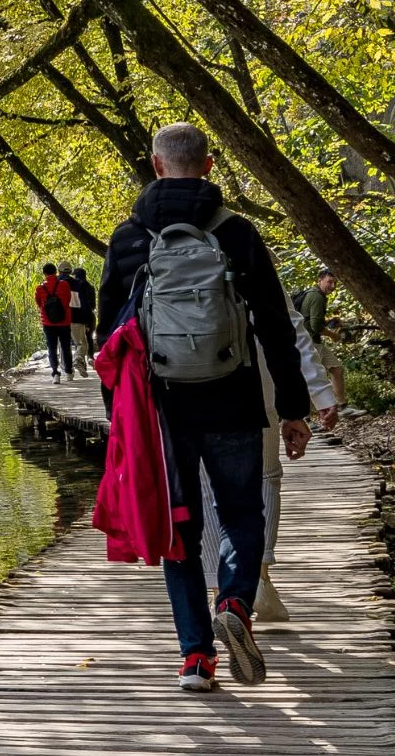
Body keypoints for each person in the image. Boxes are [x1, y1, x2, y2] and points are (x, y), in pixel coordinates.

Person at [96, 122, 312, 692]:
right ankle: (235, 603)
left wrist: (118, 418)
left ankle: (196, 659)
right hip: (234, 397)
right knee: (242, 513)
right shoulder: (236, 232)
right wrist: (294, 409)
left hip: (162, 410)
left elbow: (108, 339)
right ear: (209, 166)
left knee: (180, 531)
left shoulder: (130, 238)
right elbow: (276, 326)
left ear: (156, 165)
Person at [202, 290, 340, 623]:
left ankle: (219, 591)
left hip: (187, 383)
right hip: (254, 382)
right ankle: (259, 577)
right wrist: (320, 392)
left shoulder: (157, 256)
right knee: (264, 476)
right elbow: (290, 327)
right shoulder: (248, 257)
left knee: (205, 485)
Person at [295, 268, 347, 410]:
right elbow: (315, 326)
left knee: (335, 369)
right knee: (312, 377)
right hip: (310, 342)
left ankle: (342, 406)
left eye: (335, 283)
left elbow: (311, 319)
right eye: (329, 282)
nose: (333, 286)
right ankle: (307, 415)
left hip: (308, 340)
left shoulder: (313, 294)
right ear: (320, 281)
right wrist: (333, 335)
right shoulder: (317, 297)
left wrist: (331, 321)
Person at [34, 263, 77, 382]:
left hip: (48, 323)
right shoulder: (64, 285)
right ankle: (68, 372)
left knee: (51, 348)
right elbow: (68, 300)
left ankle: (55, 374)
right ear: (56, 272)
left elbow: (39, 304)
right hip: (64, 322)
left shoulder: (40, 288)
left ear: (44, 273)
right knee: (66, 347)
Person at [64, 264, 96, 375]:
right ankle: (89, 358)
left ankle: (77, 363)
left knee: (77, 343)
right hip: (87, 317)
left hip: (74, 317)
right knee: (87, 340)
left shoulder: (74, 286)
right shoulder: (90, 287)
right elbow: (92, 305)